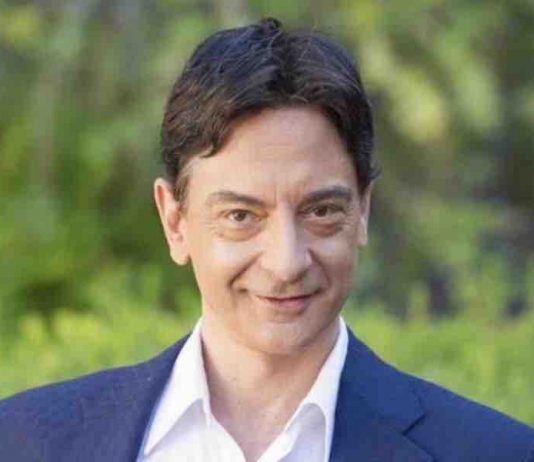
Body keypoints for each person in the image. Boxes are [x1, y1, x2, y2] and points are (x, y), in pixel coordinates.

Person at [1, 17, 533, 462]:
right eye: (240, 216)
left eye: (321, 212)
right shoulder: (23, 442)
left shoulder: (496, 453)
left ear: (363, 210)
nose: (286, 262)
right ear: (175, 222)